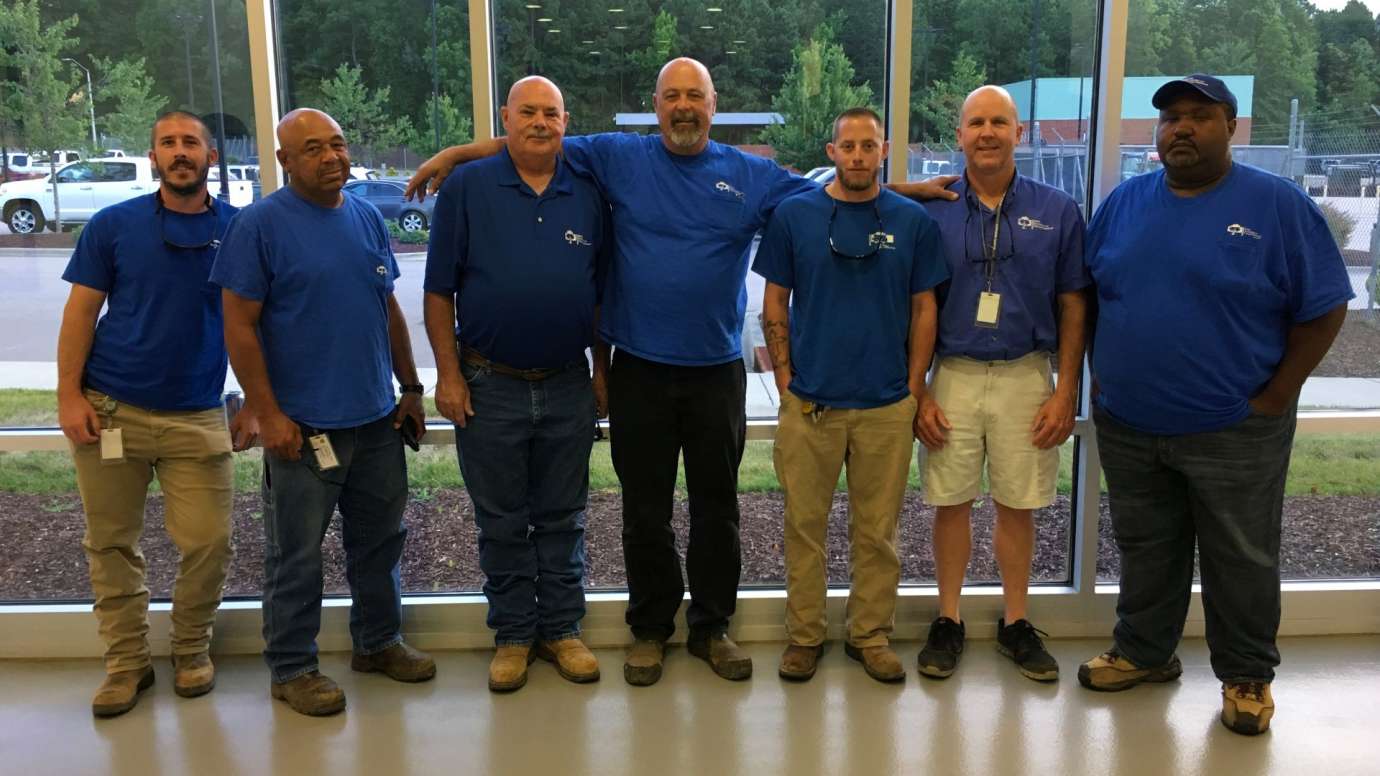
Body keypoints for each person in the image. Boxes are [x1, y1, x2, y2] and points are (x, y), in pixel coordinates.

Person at [406, 57, 956, 686]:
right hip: (640, 368)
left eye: (695, 95)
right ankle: (649, 632)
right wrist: (457, 152)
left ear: (712, 105)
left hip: (715, 371)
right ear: (656, 104)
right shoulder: (618, 156)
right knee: (645, 511)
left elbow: (842, 191)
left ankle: (711, 628)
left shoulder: (749, 175)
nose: (684, 106)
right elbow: (539, 135)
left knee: (717, 509)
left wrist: (907, 192)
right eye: (673, 96)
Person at [1078, 74, 1352, 735]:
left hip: (1235, 427)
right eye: (1170, 117)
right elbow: (1091, 293)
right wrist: (1100, 377)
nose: (1181, 128)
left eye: (1199, 115)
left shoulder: (1276, 206)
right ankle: (1145, 652)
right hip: (1131, 422)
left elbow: (1326, 306)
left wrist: (1279, 394)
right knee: (1146, 547)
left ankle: (1247, 677)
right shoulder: (1124, 203)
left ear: (1232, 126)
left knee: (1242, 557)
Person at [212, 108, 436, 717]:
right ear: (285, 162)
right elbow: (239, 326)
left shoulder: (365, 216)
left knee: (380, 542)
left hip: (375, 421)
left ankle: (377, 642)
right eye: (312, 149)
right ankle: (292, 666)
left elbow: (385, 306)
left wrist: (411, 388)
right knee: (296, 552)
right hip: (302, 428)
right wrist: (268, 413)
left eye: (337, 145)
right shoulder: (259, 227)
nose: (330, 157)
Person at [423, 76, 610, 692]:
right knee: (501, 519)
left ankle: (561, 628)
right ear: (505, 117)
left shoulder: (588, 188)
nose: (539, 122)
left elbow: (604, 292)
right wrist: (448, 376)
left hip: (566, 384)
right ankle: (512, 635)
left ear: (566, 122)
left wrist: (602, 372)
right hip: (488, 383)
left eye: (550, 113)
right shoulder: (468, 188)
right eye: (526, 111)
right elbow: (437, 293)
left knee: (563, 516)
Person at [57, 111, 245, 718]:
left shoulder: (241, 231)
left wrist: (255, 404)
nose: (179, 151)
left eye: (191, 142)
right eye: (168, 143)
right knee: (110, 543)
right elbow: (81, 313)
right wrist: (68, 395)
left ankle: (191, 650)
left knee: (210, 541)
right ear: (154, 155)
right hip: (111, 409)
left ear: (211, 157)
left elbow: (259, 327)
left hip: (198, 414)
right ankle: (125, 665)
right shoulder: (114, 226)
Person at [754, 108, 945, 683]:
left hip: (885, 406)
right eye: (848, 146)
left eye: (869, 146)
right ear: (831, 150)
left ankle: (869, 636)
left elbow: (924, 308)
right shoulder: (795, 216)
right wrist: (786, 383)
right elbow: (774, 302)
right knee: (804, 528)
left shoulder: (912, 222)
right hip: (811, 405)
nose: (859, 156)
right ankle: (805, 636)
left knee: (878, 532)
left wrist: (913, 389)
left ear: (883, 150)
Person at [914, 85, 1089, 683]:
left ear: (1020, 133)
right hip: (953, 374)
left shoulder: (1059, 209)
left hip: (1026, 375)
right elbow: (913, 307)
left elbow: (1073, 304)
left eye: (999, 122)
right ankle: (949, 618)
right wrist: (920, 392)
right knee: (950, 500)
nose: (987, 132)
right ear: (959, 135)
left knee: (1019, 502)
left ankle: (1016, 621)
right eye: (975, 123)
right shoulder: (930, 207)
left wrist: (1067, 390)